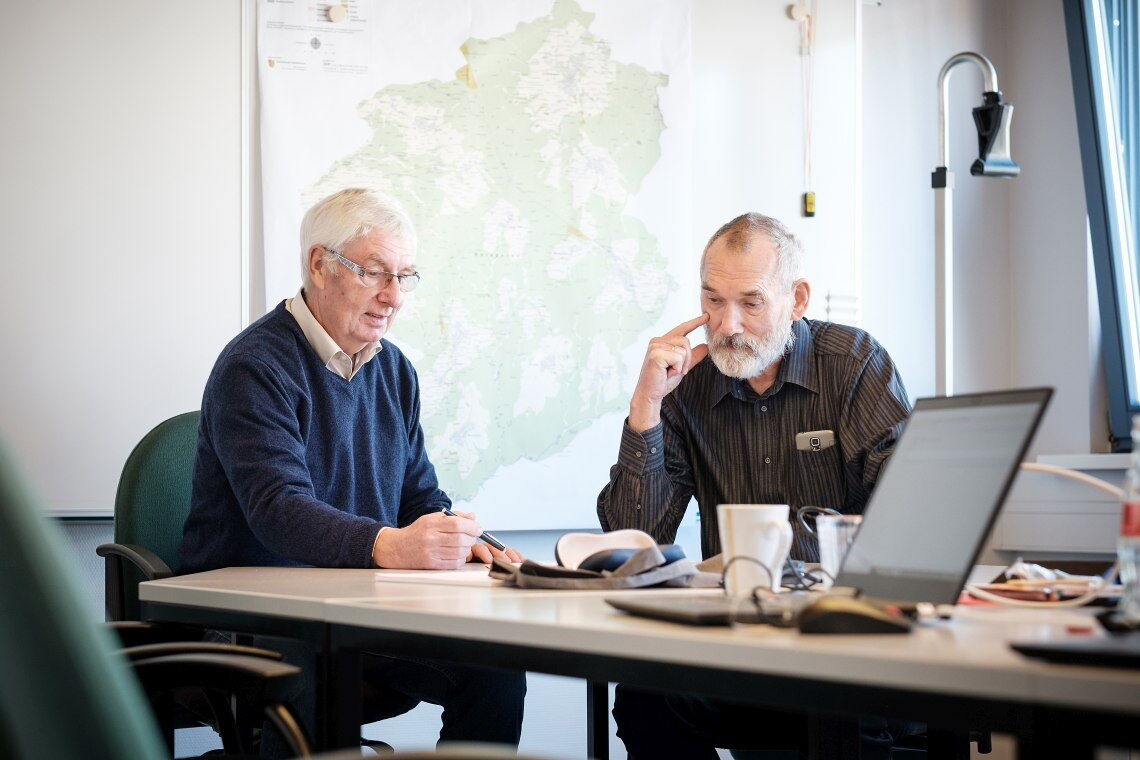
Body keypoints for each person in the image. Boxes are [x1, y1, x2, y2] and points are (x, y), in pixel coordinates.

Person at [179, 188, 526, 753]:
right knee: (303, 673)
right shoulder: (254, 366)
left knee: (493, 666)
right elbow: (278, 510)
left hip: (350, 612)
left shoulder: (394, 370)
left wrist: (463, 539)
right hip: (247, 617)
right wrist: (389, 545)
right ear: (319, 265)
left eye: (404, 277)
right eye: (374, 273)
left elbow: (419, 495)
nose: (393, 297)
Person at [598, 212, 913, 759]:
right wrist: (646, 406)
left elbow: (911, 519)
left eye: (750, 302)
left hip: (842, 648)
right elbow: (635, 538)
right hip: (735, 645)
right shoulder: (686, 385)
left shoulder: (854, 365)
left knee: (846, 716)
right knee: (646, 695)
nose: (727, 326)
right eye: (713, 301)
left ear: (797, 299)